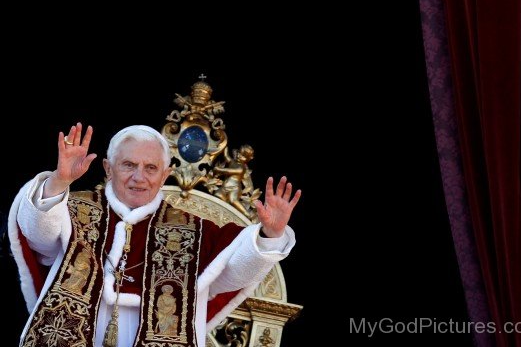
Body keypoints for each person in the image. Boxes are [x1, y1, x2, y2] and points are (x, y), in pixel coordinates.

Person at [8, 123, 301, 347]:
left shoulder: (194, 230)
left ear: (164, 174)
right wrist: (59, 182)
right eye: (128, 165)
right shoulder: (74, 208)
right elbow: (38, 238)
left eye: (150, 168)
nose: (139, 177)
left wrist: (270, 235)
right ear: (108, 168)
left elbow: (231, 275)